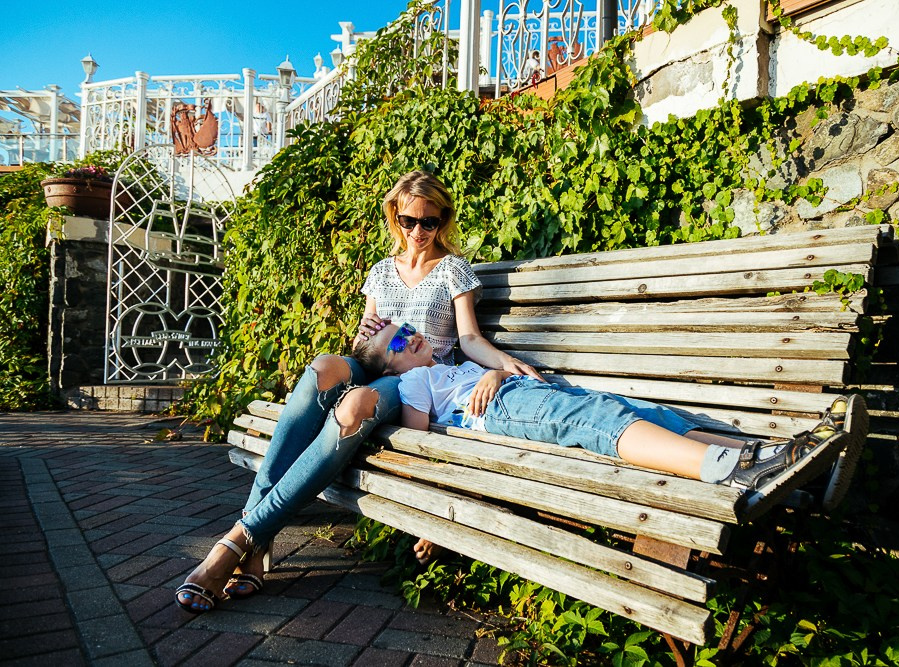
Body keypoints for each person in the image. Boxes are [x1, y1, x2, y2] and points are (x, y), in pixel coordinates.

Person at [175, 171, 541, 613]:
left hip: (416, 375)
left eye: (429, 221)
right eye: (409, 221)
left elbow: (467, 339)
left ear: (443, 220)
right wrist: (365, 336)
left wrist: (502, 362)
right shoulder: (382, 271)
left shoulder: (452, 269)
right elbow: (364, 342)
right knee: (322, 368)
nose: (419, 231)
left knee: (354, 406)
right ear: (395, 217)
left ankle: (237, 543)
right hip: (377, 362)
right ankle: (253, 539)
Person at [352, 322, 854, 518]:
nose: (411, 336)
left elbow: (492, 373)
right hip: (501, 414)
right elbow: (424, 445)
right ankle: (735, 470)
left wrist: (496, 373)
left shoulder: (452, 365)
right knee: (597, 420)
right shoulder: (413, 383)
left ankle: (775, 456)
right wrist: (433, 512)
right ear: (390, 370)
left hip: (520, 393)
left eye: (408, 328)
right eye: (398, 342)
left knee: (646, 413)